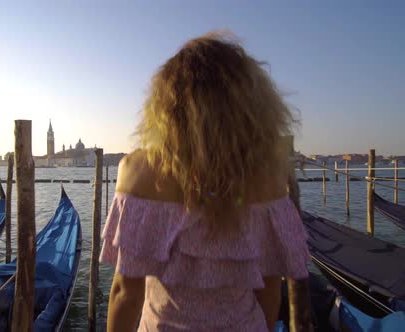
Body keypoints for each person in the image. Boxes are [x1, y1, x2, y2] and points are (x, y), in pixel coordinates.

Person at [100, 32, 309, 331]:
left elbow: (125, 294)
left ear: (166, 106)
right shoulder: (269, 178)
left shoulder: (138, 171)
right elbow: (269, 290)